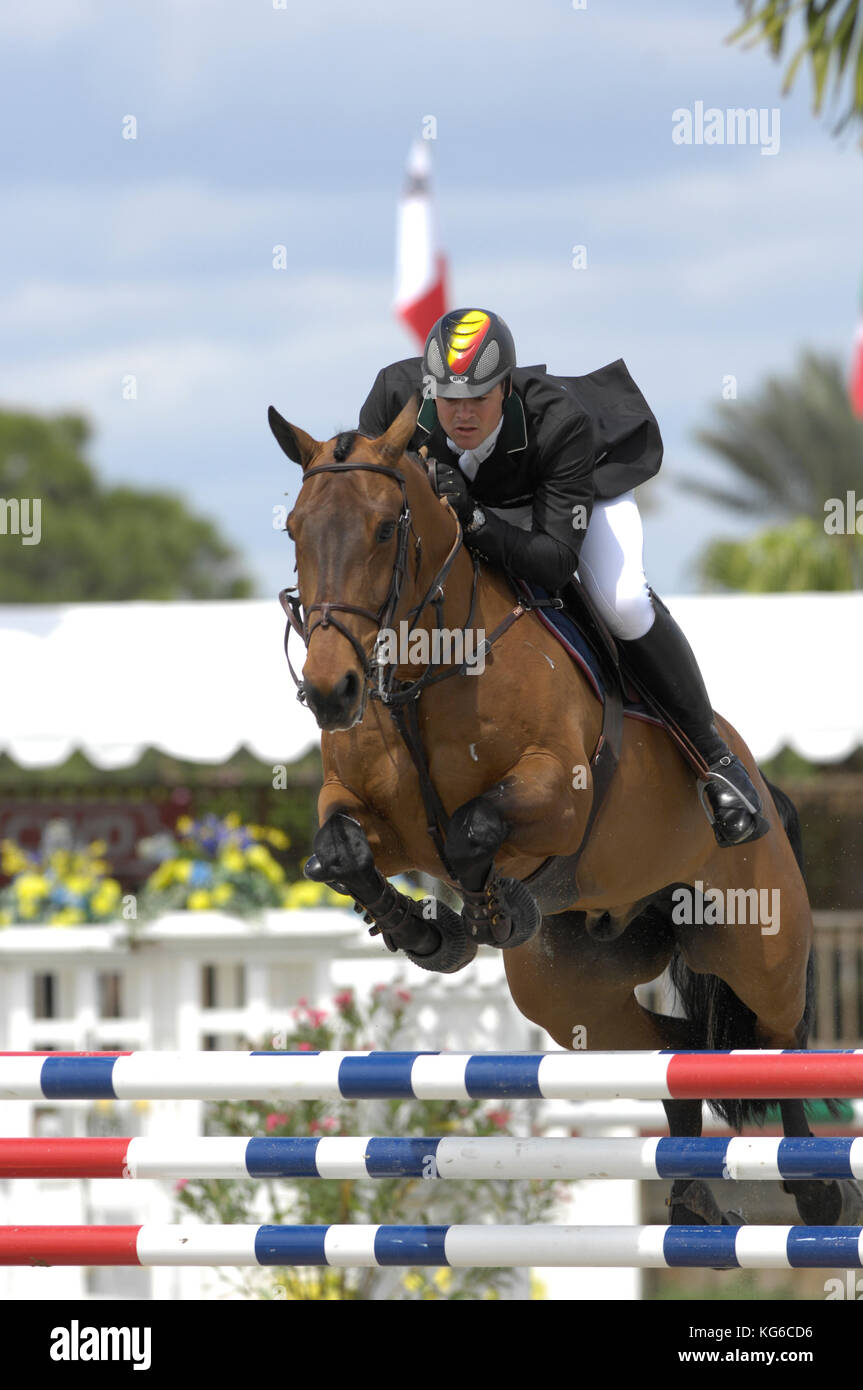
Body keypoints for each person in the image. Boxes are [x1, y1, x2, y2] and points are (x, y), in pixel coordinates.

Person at [358, 307, 767, 847]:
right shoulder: (395, 395)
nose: (460, 414)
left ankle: (716, 760)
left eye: (477, 399)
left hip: (565, 499)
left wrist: (475, 520)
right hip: (475, 510)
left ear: (504, 388)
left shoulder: (559, 423)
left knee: (622, 602)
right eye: (448, 400)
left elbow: (554, 564)